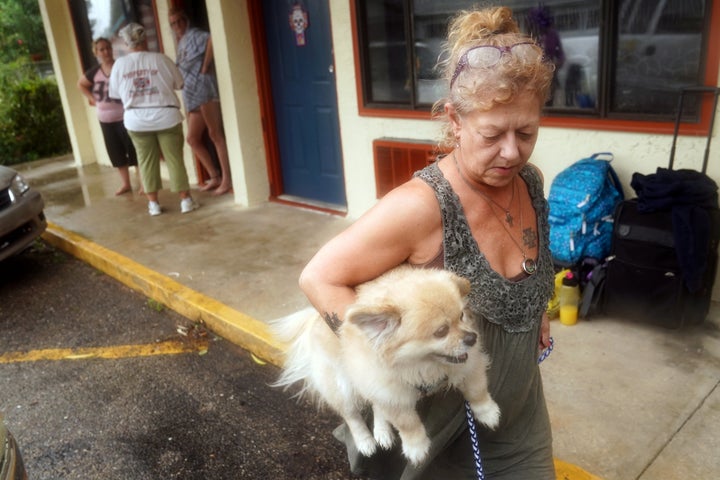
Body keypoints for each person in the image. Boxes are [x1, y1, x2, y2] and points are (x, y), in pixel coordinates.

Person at [298, 6, 556, 479]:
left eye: (527, 132)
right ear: (455, 120)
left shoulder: (530, 182)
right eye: (492, 134)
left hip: (519, 416)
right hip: (437, 435)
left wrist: (535, 310)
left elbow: (531, 261)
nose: (512, 151)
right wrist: (381, 364)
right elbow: (319, 278)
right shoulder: (421, 206)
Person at [109, 22, 199, 217]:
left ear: (125, 43)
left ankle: (154, 205)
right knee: (175, 159)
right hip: (166, 115)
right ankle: (185, 201)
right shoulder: (161, 59)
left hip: (136, 119)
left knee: (145, 161)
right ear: (145, 39)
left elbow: (115, 93)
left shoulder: (119, 65)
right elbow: (179, 83)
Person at [169, 7, 232, 195]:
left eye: (179, 21)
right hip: (191, 93)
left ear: (185, 20)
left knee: (215, 134)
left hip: (204, 88)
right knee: (192, 138)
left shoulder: (195, 35)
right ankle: (214, 176)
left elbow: (213, 38)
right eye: (173, 23)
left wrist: (205, 65)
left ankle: (227, 180)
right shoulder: (180, 43)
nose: (177, 26)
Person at [77, 37, 141, 196]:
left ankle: (142, 184)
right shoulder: (94, 72)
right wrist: (93, 99)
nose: (105, 52)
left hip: (124, 117)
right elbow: (81, 84)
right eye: (101, 49)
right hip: (105, 120)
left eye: (107, 48)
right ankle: (126, 184)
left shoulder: (122, 66)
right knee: (116, 152)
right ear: (96, 53)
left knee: (133, 150)